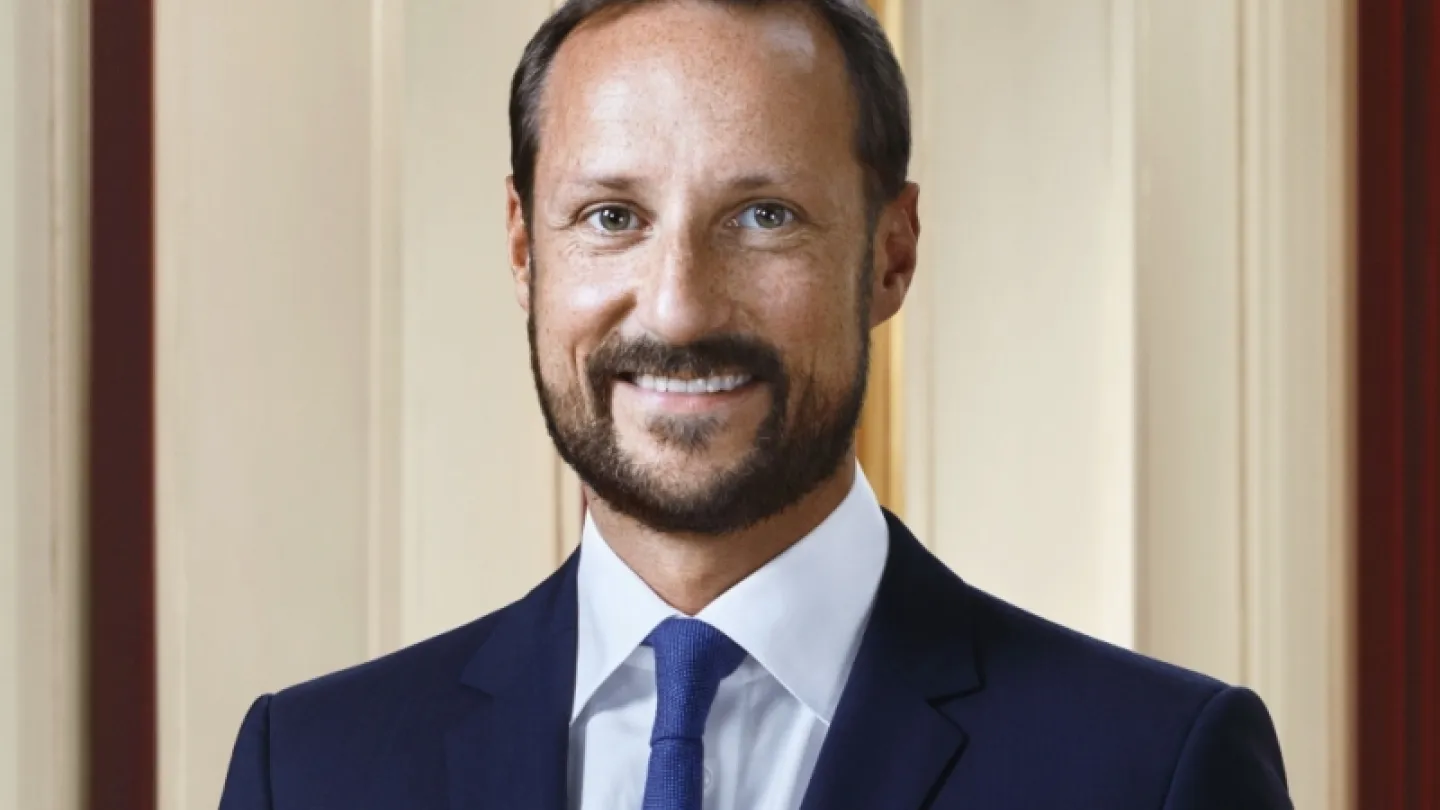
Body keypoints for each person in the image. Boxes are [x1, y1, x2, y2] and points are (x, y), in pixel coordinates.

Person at [219, 0, 1292, 807]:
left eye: (766, 214)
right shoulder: (312, 770)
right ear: (520, 249)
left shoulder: (1151, 770)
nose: (680, 307)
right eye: (609, 215)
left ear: (892, 252)